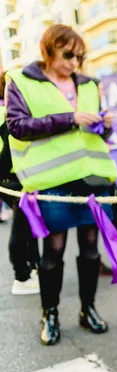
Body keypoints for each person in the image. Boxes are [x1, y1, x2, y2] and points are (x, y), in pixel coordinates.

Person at [6, 24, 117, 346]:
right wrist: (70, 119)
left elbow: (98, 134)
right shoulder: (22, 80)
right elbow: (18, 127)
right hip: (53, 180)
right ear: (48, 48)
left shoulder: (90, 84)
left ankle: (88, 309)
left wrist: (104, 126)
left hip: (93, 177)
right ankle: (50, 314)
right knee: (53, 251)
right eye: (68, 54)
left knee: (91, 248)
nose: (74, 62)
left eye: (79, 56)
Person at [0, 72, 41, 295]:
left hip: (13, 178)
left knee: (28, 225)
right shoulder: (7, 113)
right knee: (22, 227)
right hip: (13, 178)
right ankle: (21, 277)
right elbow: (8, 152)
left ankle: (33, 267)